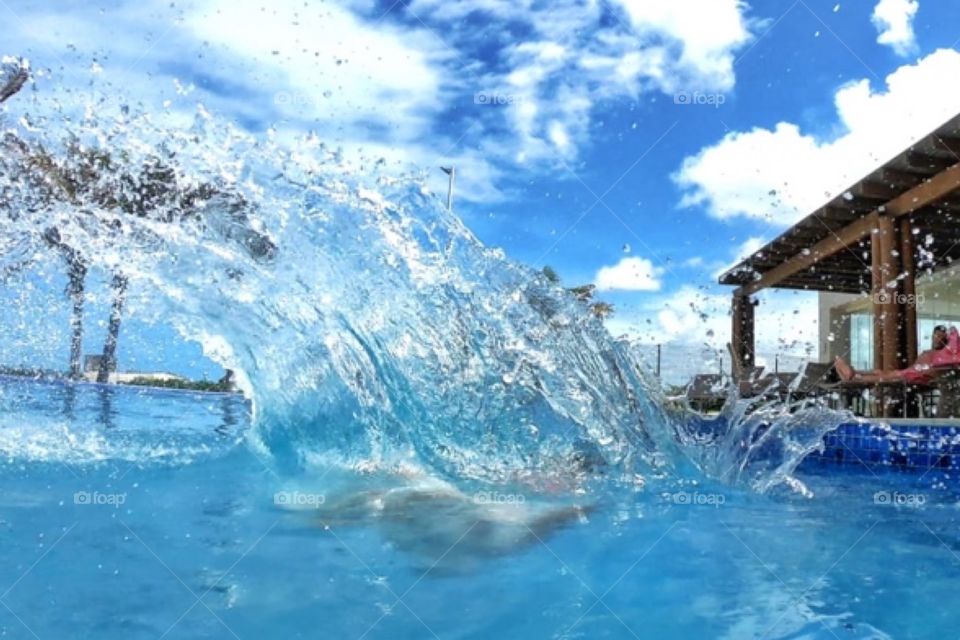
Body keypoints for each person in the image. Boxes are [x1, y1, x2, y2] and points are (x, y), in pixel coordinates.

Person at [834, 325, 958, 384]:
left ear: (946, 338)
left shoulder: (947, 354)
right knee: (881, 372)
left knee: (887, 376)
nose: (937, 339)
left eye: (940, 336)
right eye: (935, 336)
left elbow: (955, 339)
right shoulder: (932, 353)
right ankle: (853, 373)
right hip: (914, 372)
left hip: (918, 377)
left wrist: (952, 331)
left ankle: (853, 376)